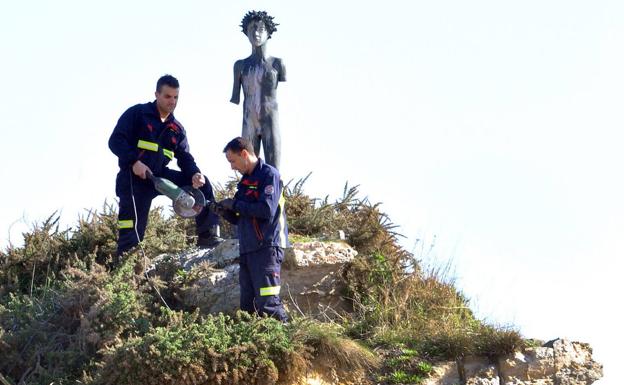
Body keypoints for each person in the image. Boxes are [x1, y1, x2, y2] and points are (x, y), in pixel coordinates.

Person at [108, 74, 222, 259]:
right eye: (168, 96)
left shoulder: (176, 129)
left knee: (203, 184)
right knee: (132, 228)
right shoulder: (137, 114)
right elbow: (115, 141)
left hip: (160, 176)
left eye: (176, 97)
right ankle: (126, 272)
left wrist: (194, 174)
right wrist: (134, 162)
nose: (172, 101)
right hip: (133, 179)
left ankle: (207, 236)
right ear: (157, 94)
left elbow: (184, 157)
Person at [216, 137, 288, 322]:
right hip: (248, 249)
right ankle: (256, 347)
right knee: (248, 307)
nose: (232, 167)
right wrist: (222, 211)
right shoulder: (245, 181)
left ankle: (290, 342)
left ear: (245, 154)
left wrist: (235, 204)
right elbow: (239, 218)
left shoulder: (269, 174)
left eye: (233, 161)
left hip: (267, 247)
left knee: (268, 303)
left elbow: (265, 211)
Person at [230, 10, 286, 170]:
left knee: (273, 170)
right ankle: (248, 194)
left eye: (261, 29)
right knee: (247, 168)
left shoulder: (277, 64)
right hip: (249, 121)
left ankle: (275, 194)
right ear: (246, 33)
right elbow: (236, 96)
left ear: (269, 33)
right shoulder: (240, 66)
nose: (256, 33)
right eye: (251, 29)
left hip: (270, 120)